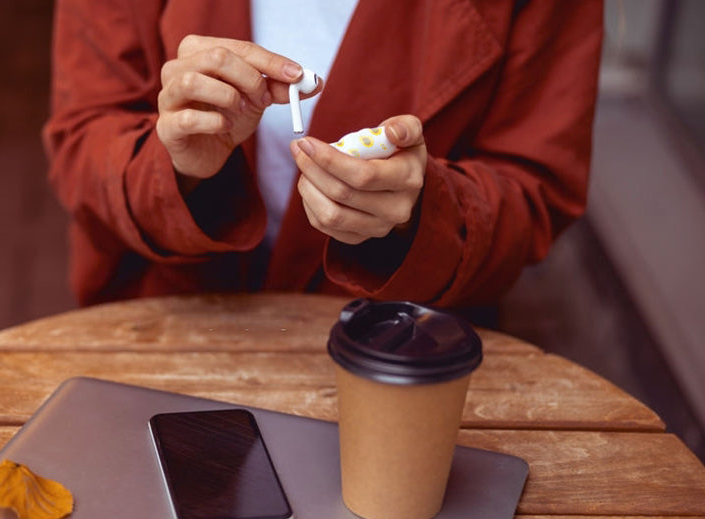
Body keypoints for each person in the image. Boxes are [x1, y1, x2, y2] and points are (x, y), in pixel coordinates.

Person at [42, 1, 603, 308]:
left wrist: (424, 212)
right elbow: (83, 141)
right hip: (169, 329)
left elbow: (536, 189)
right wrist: (180, 168)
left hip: (397, 355)